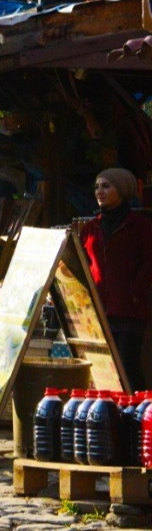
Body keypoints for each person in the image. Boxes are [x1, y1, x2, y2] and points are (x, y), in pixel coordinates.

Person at [79, 168, 152, 391]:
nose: (100, 191)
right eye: (97, 187)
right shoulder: (91, 228)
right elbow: (82, 263)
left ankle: (141, 411)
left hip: (130, 310)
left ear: (122, 189)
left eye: (106, 186)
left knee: (127, 365)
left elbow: (149, 263)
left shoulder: (140, 226)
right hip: (99, 312)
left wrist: (135, 292)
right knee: (104, 369)